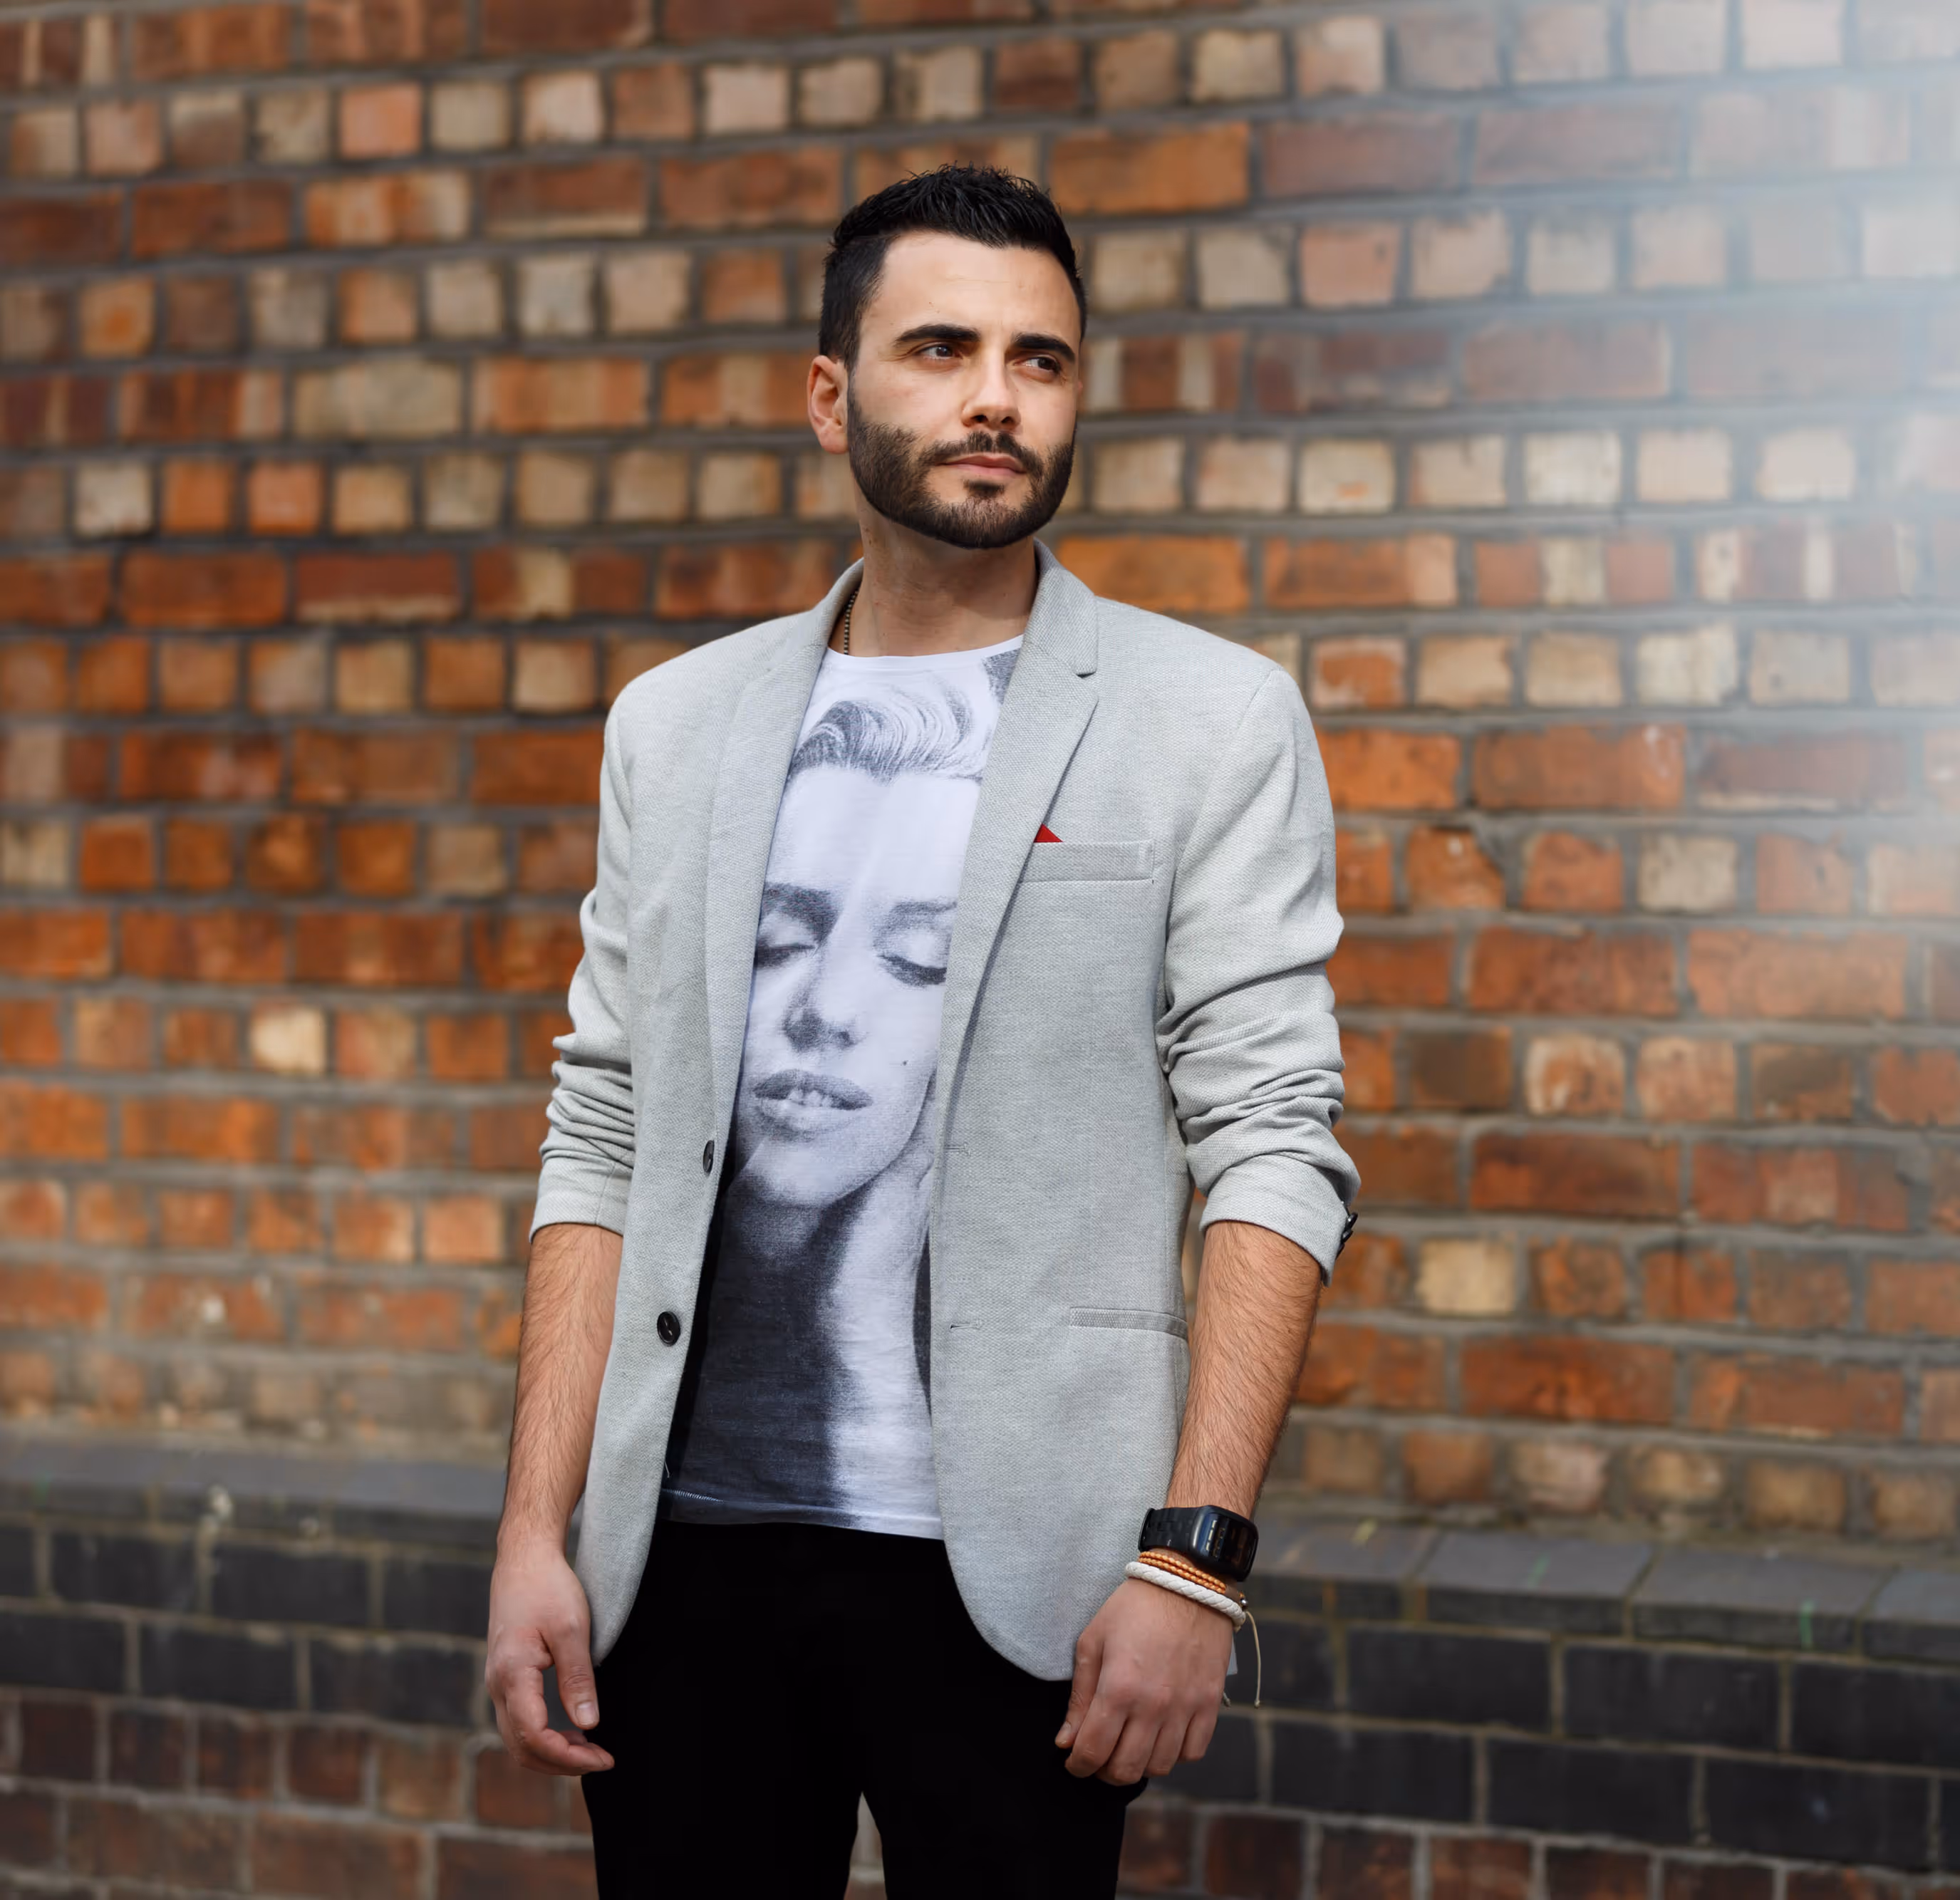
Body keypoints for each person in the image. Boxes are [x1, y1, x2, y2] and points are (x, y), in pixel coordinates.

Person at [480, 165, 1359, 1899]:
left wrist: (1193, 1560)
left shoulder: (1208, 721)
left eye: (1040, 359)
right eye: (940, 347)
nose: (993, 397)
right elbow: (605, 1123)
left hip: (1020, 1575)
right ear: (830, 394)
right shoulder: (677, 725)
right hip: (684, 1565)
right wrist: (533, 1527)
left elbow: (1273, 1136)